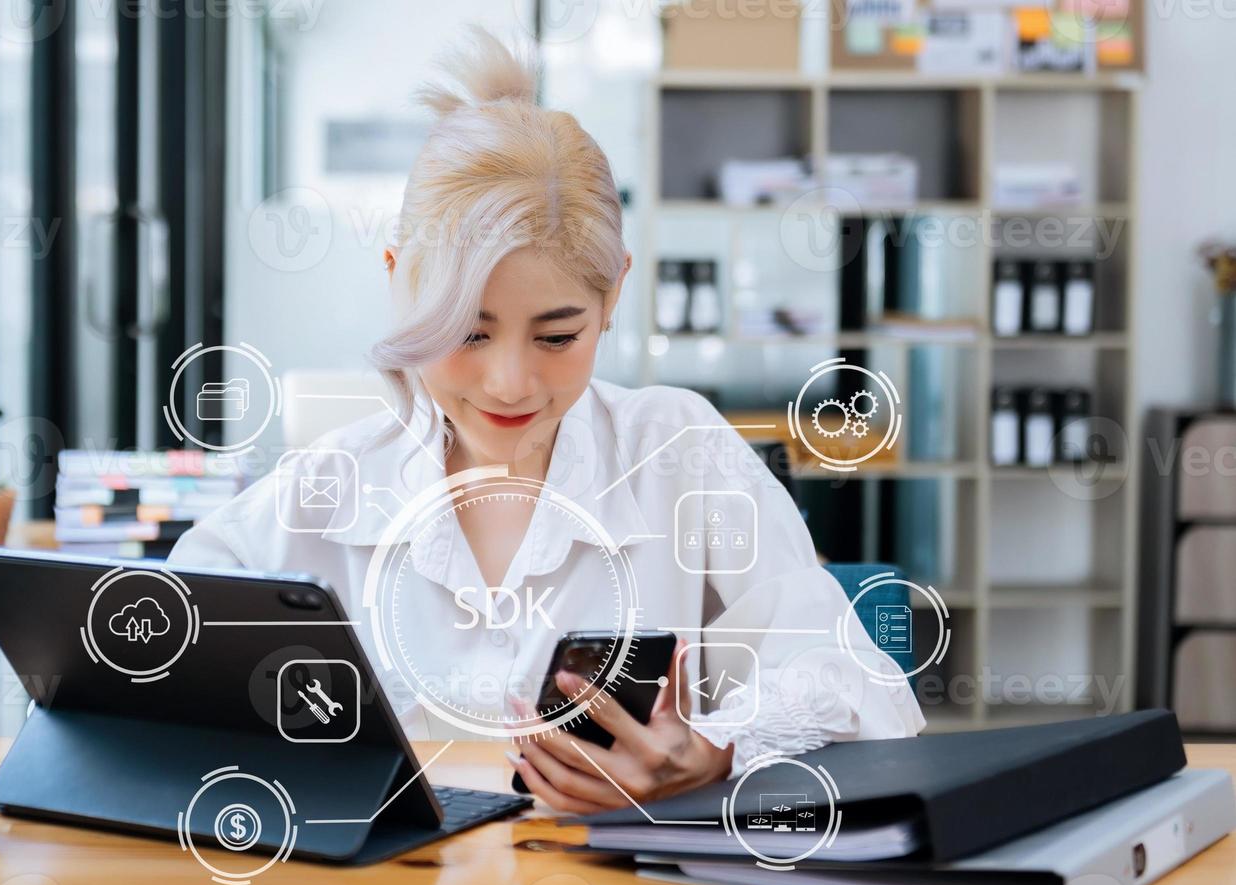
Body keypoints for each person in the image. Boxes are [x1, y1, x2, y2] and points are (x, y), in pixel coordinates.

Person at [169, 27, 923, 814]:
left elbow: (863, 688)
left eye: (558, 336)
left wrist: (716, 751)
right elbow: (152, 642)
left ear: (614, 295)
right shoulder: (327, 484)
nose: (510, 382)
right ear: (400, 283)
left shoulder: (678, 450)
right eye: (468, 331)